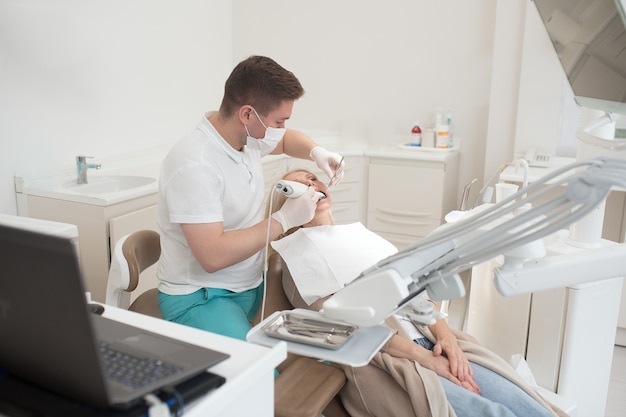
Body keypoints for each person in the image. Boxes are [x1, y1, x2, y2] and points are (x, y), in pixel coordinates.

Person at [268, 169, 568, 417]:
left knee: (525, 404)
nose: (312, 187)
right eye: (299, 186)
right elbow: (343, 328)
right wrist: (425, 358)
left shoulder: (359, 236)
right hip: (386, 358)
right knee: (488, 411)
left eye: (313, 179)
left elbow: (418, 291)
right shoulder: (296, 257)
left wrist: (448, 339)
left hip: (433, 339)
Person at [156, 56, 344, 342]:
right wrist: (284, 220)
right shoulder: (195, 164)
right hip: (202, 298)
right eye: (279, 120)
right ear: (247, 114)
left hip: (251, 286)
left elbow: (284, 140)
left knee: (322, 353)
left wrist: (317, 152)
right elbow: (212, 255)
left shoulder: (245, 138)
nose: (281, 128)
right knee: (262, 380)